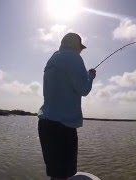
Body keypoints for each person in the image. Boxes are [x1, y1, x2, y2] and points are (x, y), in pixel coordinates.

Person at [37, 33, 96, 180]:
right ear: (75, 45)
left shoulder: (53, 59)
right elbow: (84, 90)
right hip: (63, 127)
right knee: (64, 175)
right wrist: (90, 77)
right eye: (79, 47)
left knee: (55, 174)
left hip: (45, 124)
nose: (80, 51)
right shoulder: (74, 58)